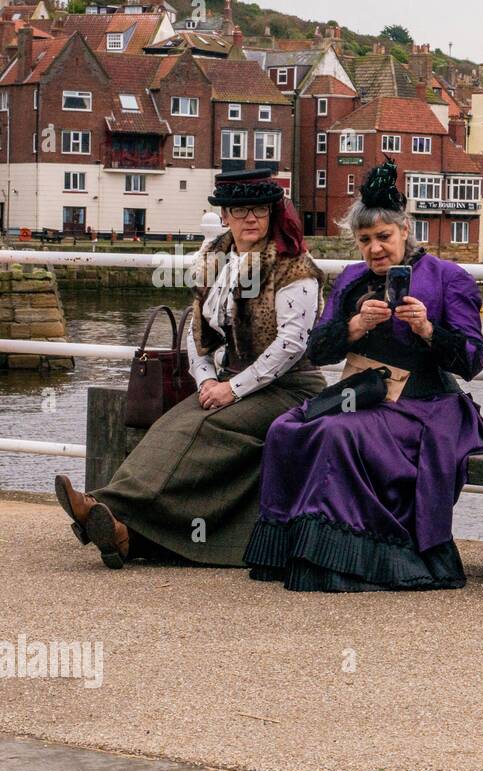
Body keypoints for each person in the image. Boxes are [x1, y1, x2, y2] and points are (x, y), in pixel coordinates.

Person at [244, 161, 483, 592]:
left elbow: (473, 360)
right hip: (360, 396)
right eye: (365, 240)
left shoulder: (449, 278)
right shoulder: (349, 280)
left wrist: (427, 330)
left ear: (405, 230)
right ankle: (302, 552)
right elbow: (317, 351)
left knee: (337, 436)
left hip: (427, 407)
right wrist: (355, 327)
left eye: (384, 236)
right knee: (284, 429)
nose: (375, 249)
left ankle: (352, 559)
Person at [54, 168, 326, 569]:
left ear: (272, 213)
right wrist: (206, 380)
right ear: (226, 215)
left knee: (209, 426)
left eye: (259, 210)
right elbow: (196, 330)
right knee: (172, 423)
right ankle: (122, 532)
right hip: (232, 380)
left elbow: (290, 346)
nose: (250, 219)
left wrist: (231, 391)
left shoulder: (294, 267)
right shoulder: (215, 259)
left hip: (291, 387)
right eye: (239, 210)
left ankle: (105, 505)